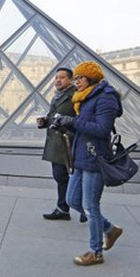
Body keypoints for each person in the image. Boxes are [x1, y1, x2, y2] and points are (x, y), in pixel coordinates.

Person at [52, 61, 123, 266]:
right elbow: (84, 129)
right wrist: (65, 126)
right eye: (75, 79)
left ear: (91, 78)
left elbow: (102, 130)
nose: (76, 82)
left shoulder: (105, 97)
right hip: (81, 155)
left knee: (91, 206)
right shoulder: (83, 98)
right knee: (73, 200)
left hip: (95, 157)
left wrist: (73, 121)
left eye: (79, 78)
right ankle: (109, 229)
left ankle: (95, 252)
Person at [36, 67, 86, 223]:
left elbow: (81, 119)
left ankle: (82, 208)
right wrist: (45, 121)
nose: (58, 80)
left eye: (62, 77)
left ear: (70, 80)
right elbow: (55, 116)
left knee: (72, 177)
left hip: (68, 142)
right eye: (56, 77)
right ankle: (63, 209)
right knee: (60, 177)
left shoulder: (75, 96)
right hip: (57, 143)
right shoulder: (57, 96)